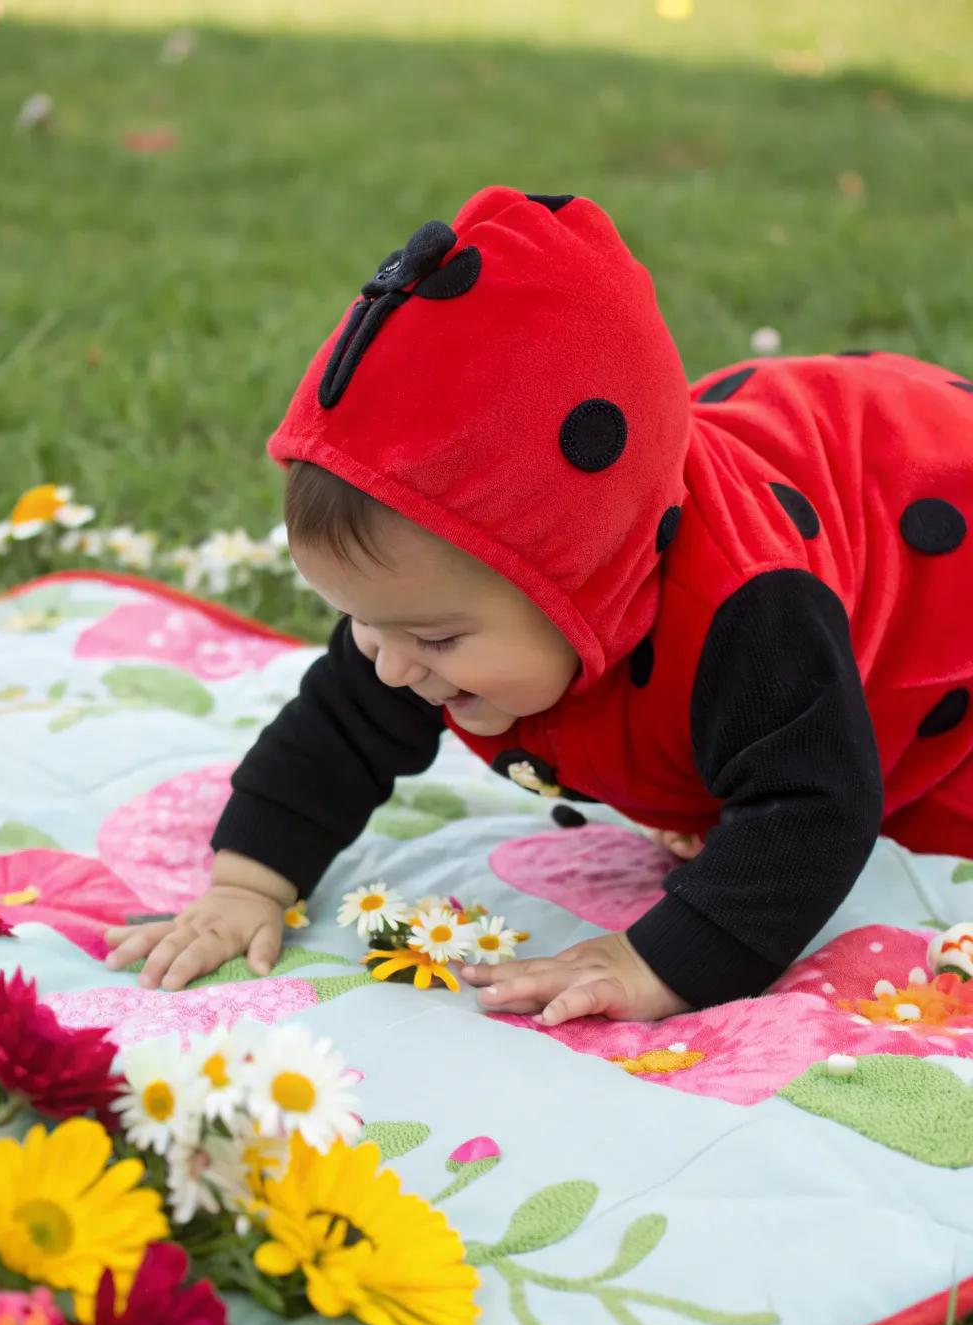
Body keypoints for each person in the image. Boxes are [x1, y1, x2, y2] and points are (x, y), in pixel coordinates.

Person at [104, 185, 973, 1025]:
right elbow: (335, 733)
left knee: (892, 806)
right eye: (365, 622)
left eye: (437, 638)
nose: (392, 664)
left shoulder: (748, 613)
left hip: (936, 548)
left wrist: (654, 960)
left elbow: (817, 807)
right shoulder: (410, 614)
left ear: (591, 578)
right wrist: (246, 886)